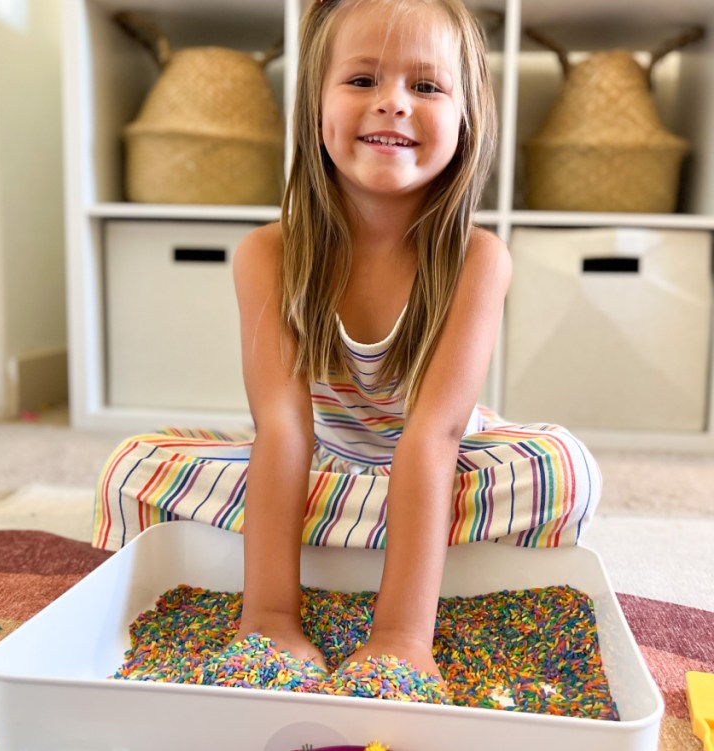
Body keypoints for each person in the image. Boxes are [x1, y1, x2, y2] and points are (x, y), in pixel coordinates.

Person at [93, 0, 601, 697]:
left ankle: (359, 565)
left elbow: (435, 436)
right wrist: (268, 617)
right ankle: (337, 557)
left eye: (426, 87)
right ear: (315, 107)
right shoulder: (266, 254)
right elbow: (283, 427)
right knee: (131, 466)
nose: (392, 103)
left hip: (437, 467)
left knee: (564, 468)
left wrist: (399, 638)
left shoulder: (478, 259)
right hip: (319, 466)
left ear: (467, 118)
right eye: (363, 80)